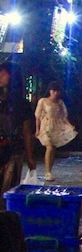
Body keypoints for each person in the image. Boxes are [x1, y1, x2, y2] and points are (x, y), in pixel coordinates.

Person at [0, 62, 36, 197]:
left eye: (3, 73)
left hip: (13, 151)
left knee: (8, 189)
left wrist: (30, 157)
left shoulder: (22, 105)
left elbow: (27, 132)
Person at [34, 81, 78, 181]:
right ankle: (47, 172)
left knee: (53, 149)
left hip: (56, 126)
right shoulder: (43, 101)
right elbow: (38, 116)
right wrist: (37, 129)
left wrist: (70, 126)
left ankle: (49, 170)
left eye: (57, 91)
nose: (55, 93)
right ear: (50, 91)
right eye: (53, 91)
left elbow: (64, 117)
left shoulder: (60, 102)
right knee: (49, 147)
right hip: (46, 126)